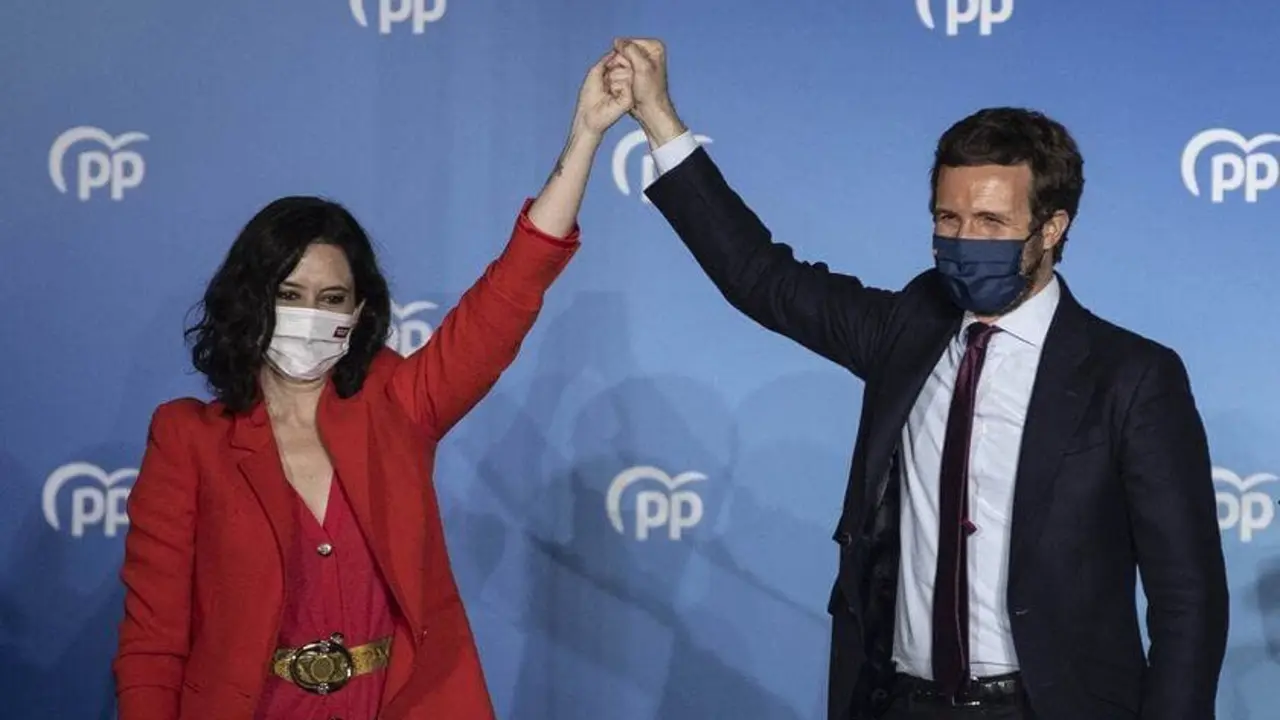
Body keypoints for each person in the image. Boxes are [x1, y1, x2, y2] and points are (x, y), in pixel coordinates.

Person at [607, 38, 1229, 720]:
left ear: (1051, 228)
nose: (964, 240)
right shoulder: (907, 329)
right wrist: (660, 119)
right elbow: (760, 277)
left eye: (991, 221)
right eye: (948, 219)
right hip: (899, 704)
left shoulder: (1131, 377)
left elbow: (1187, 599)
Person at [112, 53, 635, 720]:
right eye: (291, 294)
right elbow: (153, 641)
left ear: (360, 313)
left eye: (333, 297)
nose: (312, 315)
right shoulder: (188, 437)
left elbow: (508, 294)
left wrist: (585, 135)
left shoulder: (398, 403)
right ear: (251, 300)